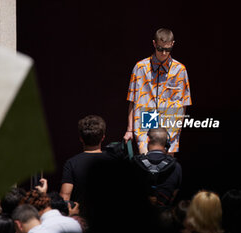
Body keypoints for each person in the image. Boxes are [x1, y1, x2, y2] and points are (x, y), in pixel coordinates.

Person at [124, 28, 192, 156]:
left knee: (168, 165)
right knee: (146, 163)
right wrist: (129, 129)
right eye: (160, 49)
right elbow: (132, 100)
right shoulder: (140, 68)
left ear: (172, 44)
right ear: (154, 44)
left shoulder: (180, 70)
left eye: (168, 49)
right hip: (146, 117)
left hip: (170, 120)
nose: (164, 53)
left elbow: (184, 103)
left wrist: (178, 129)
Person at [60, 115, 112, 208]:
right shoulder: (113, 161)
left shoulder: (71, 163)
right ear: (103, 137)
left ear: (81, 138)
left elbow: (65, 196)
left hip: (83, 218)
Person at [132, 127, 182, 208]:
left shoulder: (134, 164)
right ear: (167, 144)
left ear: (148, 140)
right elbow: (176, 195)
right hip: (165, 217)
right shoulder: (176, 167)